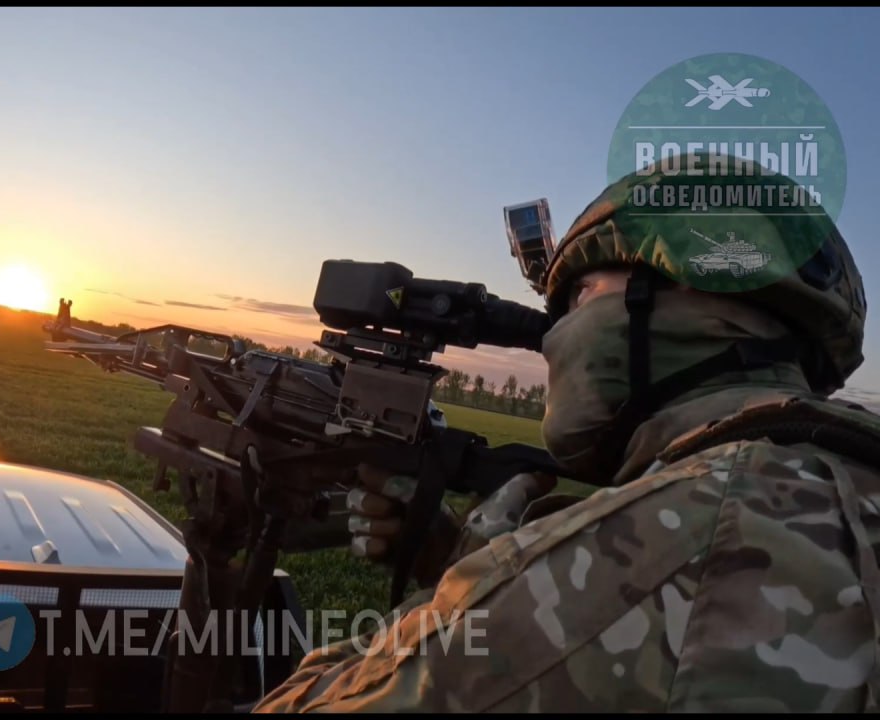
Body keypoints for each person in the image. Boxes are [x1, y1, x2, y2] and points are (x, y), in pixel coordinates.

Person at [253, 157, 880, 712]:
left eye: (580, 296)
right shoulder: (843, 471)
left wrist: (457, 600)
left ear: (684, 286)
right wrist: (456, 561)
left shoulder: (677, 537)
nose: (553, 336)